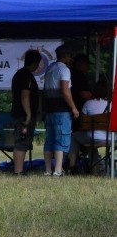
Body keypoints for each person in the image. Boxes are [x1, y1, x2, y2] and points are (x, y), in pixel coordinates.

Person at [41, 45, 78, 177]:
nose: (71, 59)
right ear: (65, 56)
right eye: (70, 56)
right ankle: (58, 170)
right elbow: (65, 90)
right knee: (61, 138)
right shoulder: (64, 70)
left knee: (49, 139)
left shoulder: (50, 68)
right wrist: (73, 108)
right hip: (61, 109)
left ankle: (47, 170)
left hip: (49, 109)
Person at [9, 49, 42, 175]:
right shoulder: (26, 76)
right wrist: (28, 114)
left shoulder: (19, 74)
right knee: (22, 142)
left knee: (22, 141)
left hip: (18, 114)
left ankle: (19, 169)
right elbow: (25, 95)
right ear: (34, 63)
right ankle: (18, 171)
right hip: (23, 116)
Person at [67, 80, 111, 172]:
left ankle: (72, 164)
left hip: (94, 137)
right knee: (91, 143)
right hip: (111, 138)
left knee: (74, 136)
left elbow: (83, 124)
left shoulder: (88, 104)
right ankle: (96, 168)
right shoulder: (112, 105)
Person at [70, 53, 92, 132]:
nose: (88, 67)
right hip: (78, 108)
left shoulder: (70, 73)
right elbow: (84, 94)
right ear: (79, 64)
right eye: (85, 64)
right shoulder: (79, 76)